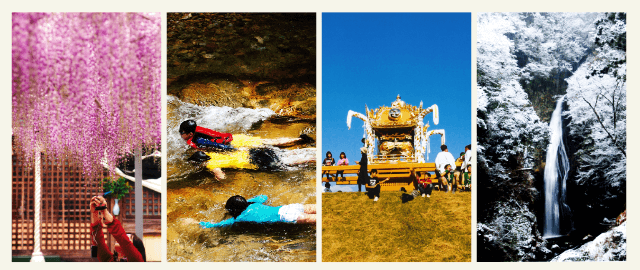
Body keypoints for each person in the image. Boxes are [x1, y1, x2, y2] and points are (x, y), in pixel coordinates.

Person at [198, 195, 316, 228]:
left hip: (285, 216)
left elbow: (217, 225)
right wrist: (248, 201)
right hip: (285, 208)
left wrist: (197, 223)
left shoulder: (238, 219)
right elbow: (263, 196)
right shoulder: (254, 203)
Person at [90, 196, 146, 262]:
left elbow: (124, 241)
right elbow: (98, 242)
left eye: (129, 237)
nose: (125, 236)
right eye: (126, 235)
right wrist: (95, 213)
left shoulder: (137, 261)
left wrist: (105, 211)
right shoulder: (109, 260)